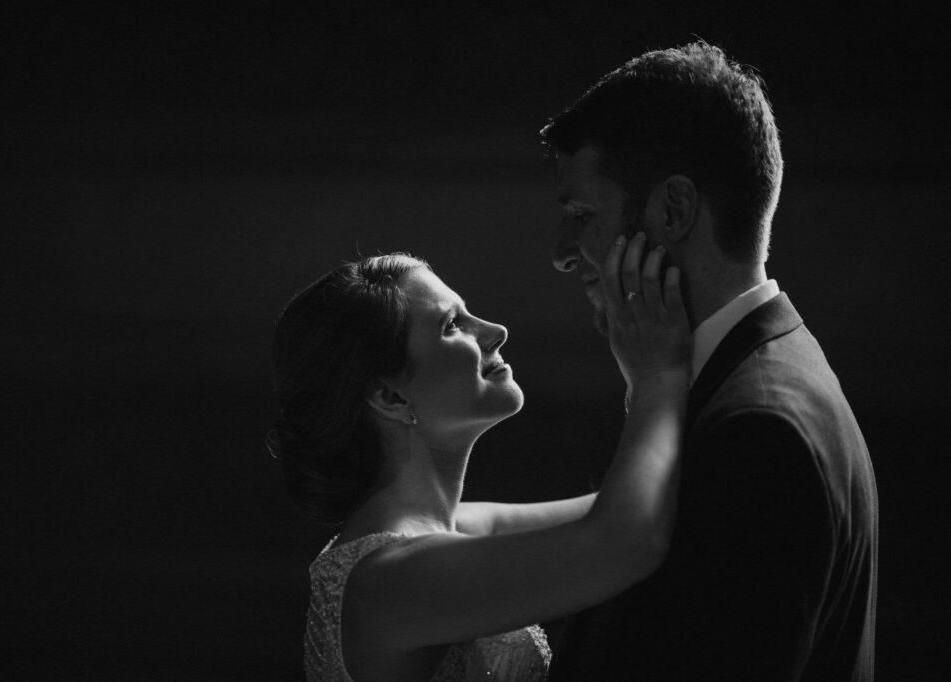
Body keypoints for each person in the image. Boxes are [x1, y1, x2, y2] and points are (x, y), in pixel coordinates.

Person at [542, 41, 878, 680]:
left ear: (673, 209)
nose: (562, 252)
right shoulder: (764, 372)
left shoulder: (762, 434)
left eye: (582, 214)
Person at [272, 242, 690, 681]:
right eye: (453, 325)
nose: (496, 330)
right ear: (391, 397)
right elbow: (622, 541)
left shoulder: (455, 528)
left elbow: (641, 505)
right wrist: (657, 374)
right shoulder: (388, 581)